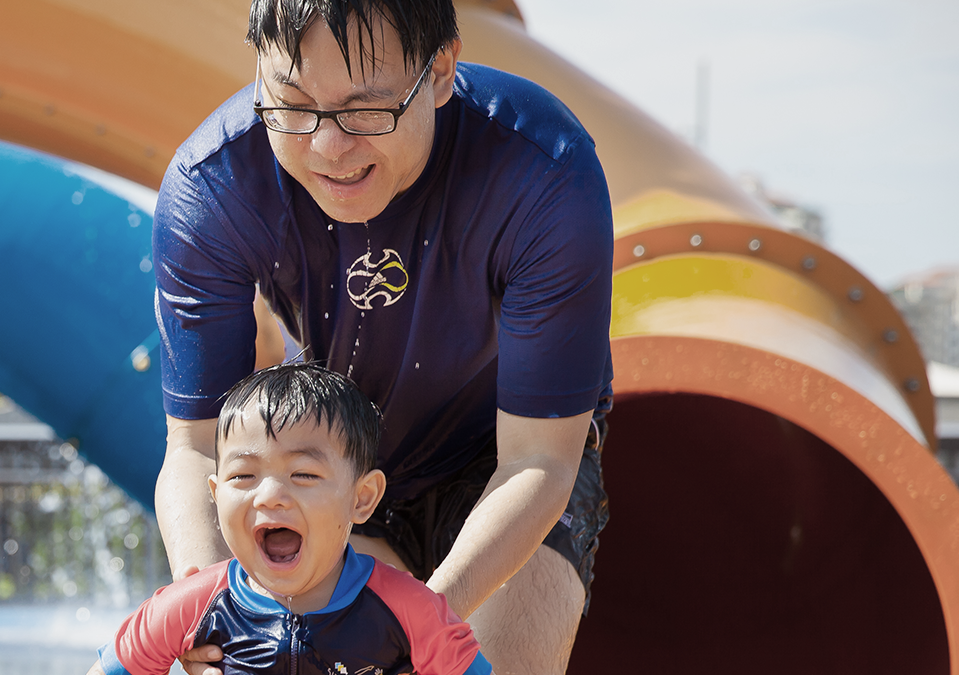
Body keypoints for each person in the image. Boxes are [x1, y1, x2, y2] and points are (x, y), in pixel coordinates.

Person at [152, 1, 614, 672]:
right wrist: (212, 609)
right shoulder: (214, 186)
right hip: (335, 458)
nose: (328, 147)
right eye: (293, 104)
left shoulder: (541, 171)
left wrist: (416, 624)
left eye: (366, 111)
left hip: (505, 459)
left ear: (441, 71)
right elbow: (195, 448)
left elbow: (539, 459)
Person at [92, 365, 490, 675]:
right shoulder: (194, 608)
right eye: (243, 476)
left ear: (361, 497)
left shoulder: (405, 609)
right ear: (215, 496)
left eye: (303, 475)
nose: (269, 495)